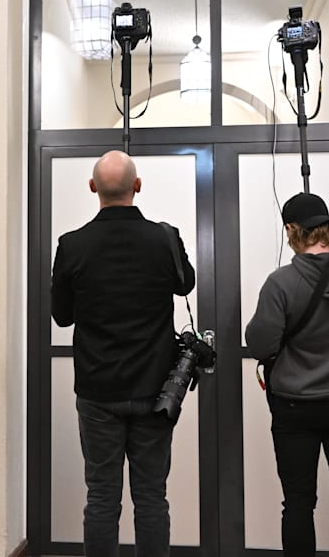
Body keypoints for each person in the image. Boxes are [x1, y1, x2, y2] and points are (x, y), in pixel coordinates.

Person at [50, 150, 196, 557]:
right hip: (155, 390)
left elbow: (62, 316)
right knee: (151, 496)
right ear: (138, 185)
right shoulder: (164, 239)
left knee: (101, 495)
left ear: (92, 187)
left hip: (97, 389)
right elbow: (186, 284)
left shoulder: (72, 245)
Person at [245, 192, 329, 557]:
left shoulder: (282, 283)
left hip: (295, 407)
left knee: (298, 502)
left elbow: (260, 344)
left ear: (292, 230)